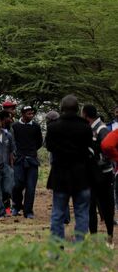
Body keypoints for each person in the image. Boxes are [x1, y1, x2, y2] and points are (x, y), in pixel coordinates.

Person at [46, 95, 92, 242]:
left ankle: (56, 250)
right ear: (78, 108)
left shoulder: (53, 127)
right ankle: (80, 248)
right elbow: (88, 148)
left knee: (58, 213)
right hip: (81, 175)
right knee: (82, 213)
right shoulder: (85, 127)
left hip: (60, 176)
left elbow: (50, 147)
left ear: (62, 108)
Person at [82, 105, 114, 243]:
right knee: (91, 206)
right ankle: (94, 237)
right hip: (92, 174)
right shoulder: (90, 128)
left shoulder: (102, 129)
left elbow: (108, 150)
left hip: (103, 174)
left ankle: (109, 236)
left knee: (106, 205)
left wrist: (97, 162)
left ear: (85, 114)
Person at [11, 105, 43, 219]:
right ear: (23, 114)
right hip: (19, 160)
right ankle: (16, 206)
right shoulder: (15, 126)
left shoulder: (36, 126)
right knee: (17, 184)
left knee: (30, 187)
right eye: (28, 113)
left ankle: (28, 211)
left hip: (32, 160)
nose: (31, 115)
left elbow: (39, 142)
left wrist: (32, 150)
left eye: (32, 113)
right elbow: (12, 141)